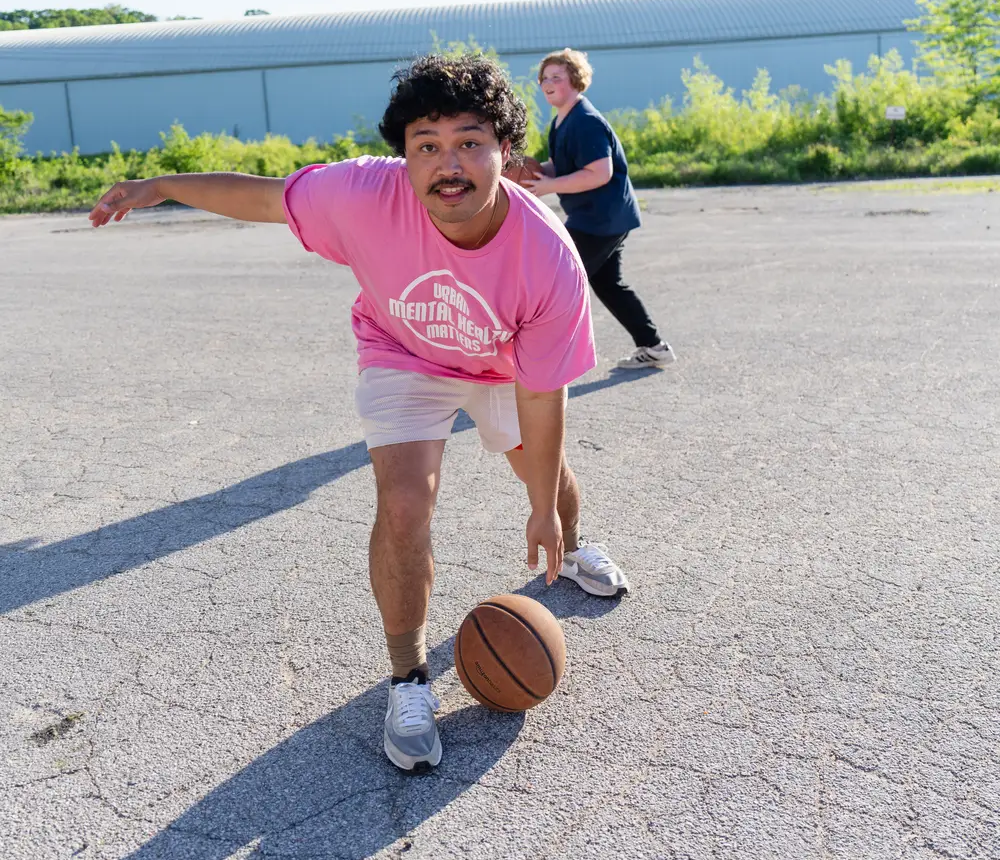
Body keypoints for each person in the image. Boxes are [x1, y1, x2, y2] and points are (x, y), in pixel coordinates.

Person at [89, 52, 630, 775]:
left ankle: (574, 537)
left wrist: (540, 507)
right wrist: (161, 185)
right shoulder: (362, 194)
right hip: (403, 354)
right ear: (402, 156)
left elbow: (542, 393)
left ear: (506, 148)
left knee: (548, 477)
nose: (450, 164)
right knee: (404, 506)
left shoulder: (548, 257)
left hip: (499, 362)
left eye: (470, 142)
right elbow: (264, 197)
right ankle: (408, 678)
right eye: (426, 146)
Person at [518, 49, 675, 370]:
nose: (548, 83)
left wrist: (549, 186)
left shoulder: (585, 121)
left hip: (601, 219)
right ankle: (654, 346)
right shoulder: (563, 119)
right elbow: (566, 165)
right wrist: (537, 174)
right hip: (601, 217)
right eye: (544, 78)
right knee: (607, 284)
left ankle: (539, 362)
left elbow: (598, 173)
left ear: (575, 81)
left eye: (557, 77)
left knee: (556, 282)